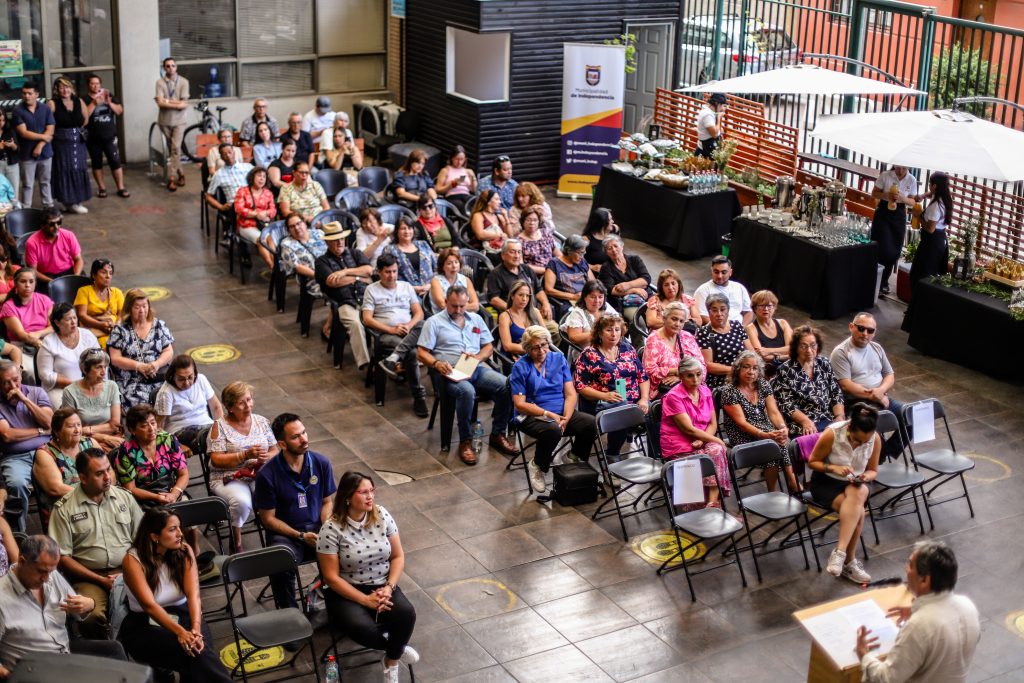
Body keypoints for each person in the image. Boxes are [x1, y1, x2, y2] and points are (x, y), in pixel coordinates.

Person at [317, 472, 420, 683]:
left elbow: (398, 556)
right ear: (347, 497)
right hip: (346, 590)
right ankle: (398, 648)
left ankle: (391, 662)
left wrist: (389, 588)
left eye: (372, 490)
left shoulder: (381, 515)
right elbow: (331, 578)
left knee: (406, 614)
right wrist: (364, 600)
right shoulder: (331, 529)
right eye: (363, 492)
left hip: (382, 583)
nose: (370, 496)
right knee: (362, 629)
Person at [120, 507, 232, 683]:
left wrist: (194, 629)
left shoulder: (184, 551)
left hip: (184, 614)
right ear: (154, 536)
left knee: (199, 650)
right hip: (145, 623)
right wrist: (181, 633)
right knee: (198, 656)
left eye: (179, 527)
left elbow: (194, 595)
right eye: (172, 529)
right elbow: (149, 606)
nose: (180, 533)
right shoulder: (132, 560)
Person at [0, 534, 128, 677]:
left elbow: (78, 609)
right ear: (22, 561)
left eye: (51, 571)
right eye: (42, 572)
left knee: (114, 651)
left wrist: (89, 604)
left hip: (64, 652)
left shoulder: (51, 575)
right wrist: (11, 676)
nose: (47, 578)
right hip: (34, 668)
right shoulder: (2, 598)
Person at [49, 447, 144, 638]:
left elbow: (142, 540)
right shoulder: (65, 509)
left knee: (152, 604)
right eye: (99, 473)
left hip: (129, 569)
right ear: (83, 478)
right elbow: (63, 558)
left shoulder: (124, 497)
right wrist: (101, 580)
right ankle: (107, 658)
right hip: (90, 576)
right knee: (90, 616)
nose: (108, 477)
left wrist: (128, 571)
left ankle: (147, 656)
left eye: (109, 470)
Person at [417, 285, 516, 465]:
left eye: (462, 306)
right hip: (449, 371)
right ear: (446, 302)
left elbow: (488, 346)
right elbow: (421, 353)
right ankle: (465, 440)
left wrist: (477, 358)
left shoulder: (476, 319)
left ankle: (497, 433)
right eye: (454, 306)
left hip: (475, 367)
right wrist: (437, 363)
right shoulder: (434, 322)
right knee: (467, 391)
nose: (459, 310)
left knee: (507, 384)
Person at [856, 541, 980, 683]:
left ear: (924, 580)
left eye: (910, 565)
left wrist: (864, 655)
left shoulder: (919, 625)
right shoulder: (968, 606)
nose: (906, 569)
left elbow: (887, 679)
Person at [255, 413, 337, 609]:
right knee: (279, 562)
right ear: (282, 444)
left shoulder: (320, 463)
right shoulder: (267, 475)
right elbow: (268, 519)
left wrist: (326, 526)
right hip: (288, 534)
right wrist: (300, 535)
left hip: (318, 528)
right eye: (296, 437)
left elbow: (327, 502)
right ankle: (290, 618)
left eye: (304, 432)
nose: (304, 439)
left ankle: (334, 606)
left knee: (347, 551)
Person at [511, 326, 598, 493]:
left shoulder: (558, 359)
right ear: (527, 349)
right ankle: (537, 465)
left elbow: (571, 394)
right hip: (531, 415)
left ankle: (574, 456)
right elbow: (519, 404)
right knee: (553, 430)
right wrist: (548, 414)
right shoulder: (520, 367)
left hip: (560, 412)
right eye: (535, 347)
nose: (541, 350)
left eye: (544, 345)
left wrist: (566, 417)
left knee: (590, 423)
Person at [807, 402, 881, 583]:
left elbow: (873, 470)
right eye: (857, 440)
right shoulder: (832, 434)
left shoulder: (874, 438)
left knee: (860, 490)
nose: (861, 444)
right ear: (850, 428)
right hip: (826, 482)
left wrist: (865, 476)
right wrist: (833, 468)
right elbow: (813, 462)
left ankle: (840, 553)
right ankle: (849, 561)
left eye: (865, 441)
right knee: (859, 511)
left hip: (854, 484)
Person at [207, 382, 278, 552]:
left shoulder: (261, 422)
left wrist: (266, 457)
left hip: (258, 473)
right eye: (241, 402)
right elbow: (216, 459)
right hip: (228, 477)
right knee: (241, 502)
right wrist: (244, 455)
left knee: (281, 492)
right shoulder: (219, 427)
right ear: (230, 407)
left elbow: (275, 448)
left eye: (249, 399)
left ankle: (278, 535)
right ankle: (237, 539)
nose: (248, 405)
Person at [719, 351, 799, 493]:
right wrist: (765, 435)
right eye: (746, 367)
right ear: (738, 369)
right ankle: (792, 481)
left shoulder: (763, 384)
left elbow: (773, 412)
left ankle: (774, 491)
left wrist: (782, 428)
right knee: (775, 446)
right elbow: (742, 423)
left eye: (755, 368)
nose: (751, 372)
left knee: (779, 443)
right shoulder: (729, 391)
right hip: (742, 434)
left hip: (766, 430)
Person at [573, 313, 650, 458]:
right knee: (623, 409)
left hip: (633, 399)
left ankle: (656, 456)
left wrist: (644, 399)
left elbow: (642, 377)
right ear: (599, 333)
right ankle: (613, 454)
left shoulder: (627, 349)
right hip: (602, 401)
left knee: (656, 409)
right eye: (609, 330)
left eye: (617, 329)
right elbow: (580, 386)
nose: (613, 334)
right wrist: (604, 395)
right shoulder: (589, 354)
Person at [361, 253, 428, 416]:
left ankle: (394, 358)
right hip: (386, 334)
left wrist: (408, 325)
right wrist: (391, 329)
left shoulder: (406, 286)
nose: (392, 276)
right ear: (379, 272)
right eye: (387, 272)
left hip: (408, 330)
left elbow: (419, 313)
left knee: (425, 324)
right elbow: (367, 319)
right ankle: (419, 396)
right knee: (412, 353)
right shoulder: (371, 290)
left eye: (394, 271)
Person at [830, 313, 904, 458]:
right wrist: (875, 396)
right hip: (856, 402)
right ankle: (878, 457)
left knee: (912, 415)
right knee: (872, 431)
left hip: (879, 397)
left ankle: (885, 455)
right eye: (861, 328)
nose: (865, 334)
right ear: (851, 327)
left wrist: (881, 392)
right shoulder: (841, 352)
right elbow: (846, 385)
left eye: (870, 330)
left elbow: (890, 375)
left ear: (874, 332)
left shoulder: (876, 348)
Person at [659, 356, 730, 508]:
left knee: (717, 451)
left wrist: (705, 440)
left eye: (698, 374)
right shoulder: (673, 397)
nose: (696, 379)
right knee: (712, 451)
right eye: (690, 375)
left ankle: (712, 502)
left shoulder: (705, 391)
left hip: (701, 439)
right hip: (679, 444)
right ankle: (693, 506)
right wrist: (717, 439)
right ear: (681, 376)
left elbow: (713, 423)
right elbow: (688, 429)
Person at [0, 359, 53, 531]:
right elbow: (7, 435)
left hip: (45, 451)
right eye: (6, 382)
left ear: (21, 376)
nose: (12, 385)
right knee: (16, 484)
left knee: (62, 479)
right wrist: (39, 431)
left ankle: (59, 530)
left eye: (15, 379)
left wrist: (25, 399)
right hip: (16, 457)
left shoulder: (37, 393)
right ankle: (19, 535)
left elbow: (49, 423)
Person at [314, 220, 373, 368]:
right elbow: (333, 282)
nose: (340, 242)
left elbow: (368, 270)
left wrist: (345, 272)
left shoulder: (355, 253)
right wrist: (359, 277)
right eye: (335, 240)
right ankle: (365, 364)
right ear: (328, 242)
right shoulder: (322, 262)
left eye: (341, 238)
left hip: (367, 298)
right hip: (345, 302)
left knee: (391, 315)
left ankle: (394, 360)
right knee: (355, 324)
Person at [106, 288, 175, 412]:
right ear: (129, 309)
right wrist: (138, 366)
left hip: (157, 376)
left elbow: (168, 351)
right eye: (137, 307)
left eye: (144, 305)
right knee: (141, 409)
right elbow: (115, 359)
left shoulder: (158, 325)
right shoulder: (120, 331)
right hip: (132, 382)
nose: (142, 310)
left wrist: (156, 364)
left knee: (171, 399)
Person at [113, 404, 190, 513]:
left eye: (153, 423)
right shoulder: (126, 452)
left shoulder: (168, 440)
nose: (151, 429)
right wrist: (157, 498)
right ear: (132, 430)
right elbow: (130, 489)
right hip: (143, 499)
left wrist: (174, 493)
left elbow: (183, 474)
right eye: (144, 426)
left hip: (171, 492)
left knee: (191, 523)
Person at [773, 325, 845, 436]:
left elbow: (835, 392)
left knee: (848, 438)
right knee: (818, 444)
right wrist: (805, 421)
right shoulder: (785, 370)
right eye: (803, 346)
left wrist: (839, 416)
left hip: (827, 418)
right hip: (802, 423)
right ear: (796, 348)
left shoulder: (824, 363)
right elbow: (786, 404)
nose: (809, 350)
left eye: (813, 345)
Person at [154, 354, 223, 455]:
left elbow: (216, 407)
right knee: (213, 437)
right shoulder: (166, 393)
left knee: (224, 432)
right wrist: (176, 444)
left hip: (207, 426)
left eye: (190, 377)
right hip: (180, 431)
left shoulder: (201, 379)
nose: (187, 383)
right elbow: (158, 427)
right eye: (181, 379)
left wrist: (221, 426)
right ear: (172, 376)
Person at [33, 407, 92, 526]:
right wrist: (93, 494)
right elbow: (56, 489)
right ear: (56, 431)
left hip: (94, 502)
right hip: (65, 513)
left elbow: (109, 472)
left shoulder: (89, 443)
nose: (77, 430)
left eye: (79, 425)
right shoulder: (45, 454)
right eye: (71, 426)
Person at [37, 303, 100, 406]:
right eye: (68, 319)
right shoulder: (49, 342)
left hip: (91, 385)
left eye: (75, 318)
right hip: (61, 389)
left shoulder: (87, 335)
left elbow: (100, 360)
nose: (74, 322)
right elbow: (45, 375)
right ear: (57, 322)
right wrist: (75, 385)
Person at [61, 348, 123, 451]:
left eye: (105, 367)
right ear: (85, 369)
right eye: (98, 367)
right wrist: (103, 437)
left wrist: (86, 429)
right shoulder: (70, 391)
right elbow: (72, 429)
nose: (103, 372)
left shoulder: (112, 386)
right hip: (82, 441)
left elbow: (115, 425)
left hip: (113, 437)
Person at [643, 301, 705, 399]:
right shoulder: (653, 339)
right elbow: (649, 370)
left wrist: (681, 377)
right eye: (674, 319)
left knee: (706, 395)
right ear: (664, 318)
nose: (677, 324)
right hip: (664, 388)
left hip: (690, 382)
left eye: (681, 321)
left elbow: (702, 365)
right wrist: (676, 371)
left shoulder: (687, 337)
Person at [47, 77, 91, 214]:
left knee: (78, 168)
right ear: (57, 89)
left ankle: (77, 200)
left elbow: (86, 119)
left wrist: (74, 131)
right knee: (64, 170)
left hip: (78, 142)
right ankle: (67, 201)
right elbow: (48, 123)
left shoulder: (79, 101)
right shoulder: (52, 103)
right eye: (61, 87)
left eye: (67, 87)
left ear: (72, 88)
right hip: (61, 144)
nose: (65, 90)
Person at [871, 165, 917, 294]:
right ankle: (875, 280)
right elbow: (874, 193)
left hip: (899, 214)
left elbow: (913, 202)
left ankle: (884, 281)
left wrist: (903, 199)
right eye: (898, 168)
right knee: (882, 248)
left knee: (894, 250)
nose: (900, 171)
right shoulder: (886, 175)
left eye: (903, 168)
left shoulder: (911, 179)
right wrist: (887, 195)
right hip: (884, 213)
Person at [486, 238, 554, 323]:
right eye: (512, 252)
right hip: (514, 317)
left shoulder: (527, 269)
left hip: (535, 314)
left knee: (556, 331)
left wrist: (546, 303)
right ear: (503, 255)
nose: (517, 256)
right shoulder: (495, 274)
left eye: (519, 252)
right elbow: (494, 299)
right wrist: (517, 310)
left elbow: (538, 290)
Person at [83, 74, 128, 199]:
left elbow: (119, 111)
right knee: (96, 163)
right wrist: (94, 103)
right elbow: (84, 116)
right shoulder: (84, 99)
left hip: (109, 136)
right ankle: (102, 188)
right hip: (93, 137)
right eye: (92, 83)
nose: (95, 86)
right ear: (88, 85)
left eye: (97, 83)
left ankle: (121, 187)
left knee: (115, 161)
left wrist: (109, 103)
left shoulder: (109, 95)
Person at [13, 81, 55, 207]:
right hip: (27, 154)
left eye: (30, 93)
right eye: (24, 93)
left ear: (36, 94)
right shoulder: (18, 111)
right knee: (27, 184)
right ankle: (26, 209)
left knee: (46, 181)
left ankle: (48, 207)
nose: (26, 96)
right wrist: (44, 137)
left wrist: (40, 145)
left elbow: (51, 128)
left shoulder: (45, 109)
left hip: (45, 152)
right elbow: (23, 133)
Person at [697, 293, 752, 390]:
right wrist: (735, 371)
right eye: (714, 310)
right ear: (708, 312)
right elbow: (708, 364)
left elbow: (751, 352)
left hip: (745, 374)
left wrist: (747, 370)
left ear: (728, 310)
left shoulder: (736, 325)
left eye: (723, 309)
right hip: (720, 380)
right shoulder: (704, 332)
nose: (719, 314)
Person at [24, 207, 84, 290]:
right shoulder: (32, 243)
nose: (56, 227)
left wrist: (75, 277)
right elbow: (33, 271)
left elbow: (78, 260)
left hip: (69, 272)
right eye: (52, 224)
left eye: (59, 222)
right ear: (42, 226)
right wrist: (53, 281)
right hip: (45, 276)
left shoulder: (68, 235)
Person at [909, 171, 952, 286]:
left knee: (920, 276)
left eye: (930, 184)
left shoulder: (935, 206)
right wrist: (923, 196)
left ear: (935, 186)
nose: (928, 186)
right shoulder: (945, 198)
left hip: (931, 243)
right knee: (930, 276)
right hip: (940, 240)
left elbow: (930, 228)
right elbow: (930, 193)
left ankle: (917, 303)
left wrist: (918, 216)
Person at [154, 58, 189, 192]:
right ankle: (181, 173)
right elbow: (160, 103)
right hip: (164, 121)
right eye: (167, 66)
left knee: (175, 148)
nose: (170, 68)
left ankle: (172, 178)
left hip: (179, 121)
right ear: (164, 68)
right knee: (173, 150)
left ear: (176, 67)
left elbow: (184, 104)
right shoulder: (160, 82)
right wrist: (176, 103)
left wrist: (167, 101)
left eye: (172, 66)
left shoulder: (184, 82)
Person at [232, 166, 277, 269]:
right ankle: (272, 266)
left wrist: (266, 213)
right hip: (246, 225)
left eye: (264, 176)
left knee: (272, 240)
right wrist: (256, 214)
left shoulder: (268, 193)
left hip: (263, 225)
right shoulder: (242, 191)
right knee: (262, 240)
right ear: (252, 177)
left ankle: (276, 266)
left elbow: (273, 210)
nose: (261, 179)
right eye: (259, 176)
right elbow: (238, 209)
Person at [1, 268, 54, 354]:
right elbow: (21, 335)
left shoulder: (45, 300)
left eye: (31, 281)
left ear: (35, 283)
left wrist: (39, 334)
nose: (27, 285)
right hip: (21, 346)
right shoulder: (8, 306)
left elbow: (53, 326)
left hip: (46, 340)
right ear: (15, 283)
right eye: (23, 281)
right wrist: (37, 342)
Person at [74, 258, 124, 348]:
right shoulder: (84, 291)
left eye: (110, 273)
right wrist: (100, 325)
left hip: (114, 331)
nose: (108, 276)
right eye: (104, 272)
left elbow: (122, 314)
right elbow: (81, 315)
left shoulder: (117, 292)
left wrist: (118, 324)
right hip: (93, 333)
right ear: (94, 275)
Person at [598, 235, 651, 321]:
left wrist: (627, 285)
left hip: (646, 296)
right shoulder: (606, 268)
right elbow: (611, 290)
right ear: (606, 252)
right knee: (640, 323)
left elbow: (646, 279)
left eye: (616, 246)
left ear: (622, 246)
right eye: (609, 248)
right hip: (628, 303)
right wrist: (634, 290)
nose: (614, 250)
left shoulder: (635, 259)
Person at [544, 234, 593, 319]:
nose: (582, 257)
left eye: (583, 253)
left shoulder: (582, 262)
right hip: (567, 302)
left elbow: (592, 282)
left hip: (586, 298)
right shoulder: (554, 264)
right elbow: (549, 290)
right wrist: (573, 297)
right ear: (569, 251)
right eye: (580, 253)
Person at [744, 290, 792, 377]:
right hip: (769, 371)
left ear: (774, 307)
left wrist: (768, 351)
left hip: (790, 366)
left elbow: (792, 348)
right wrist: (785, 355)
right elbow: (762, 356)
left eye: (769, 306)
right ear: (754, 308)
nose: (766, 309)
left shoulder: (783, 323)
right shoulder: (751, 328)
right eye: (761, 306)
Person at [694, 255, 752, 325]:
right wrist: (722, 329)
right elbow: (702, 316)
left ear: (730, 272)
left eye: (724, 272)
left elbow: (748, 312)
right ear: (711, 271)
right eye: (716, 272)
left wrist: (742, 328)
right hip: (715, 329)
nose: (719, 276)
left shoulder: (739, 287)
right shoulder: (702, 290)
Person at [560, 280, 616, 349]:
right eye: (592, 297)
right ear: (584, 297)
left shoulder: (607, 307)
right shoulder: (577, 313)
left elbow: (620, 325)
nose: (597, 301)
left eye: (600, 297)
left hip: (610, 349)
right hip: (588, 353)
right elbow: (574, 338)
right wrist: (599, 333)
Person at [388, 216, 437, 296]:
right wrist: (413, 289)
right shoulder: (390, 250)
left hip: (431, 289)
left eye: (409, 228)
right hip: (404, 293)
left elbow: (437, 268)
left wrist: (431, 285)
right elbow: (388, 276)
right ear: (397, 231)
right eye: (403, 229)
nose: (407, 231)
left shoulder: (423, 244)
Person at [279, 213, 328, 292]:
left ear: (304, 223)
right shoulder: (287, 244)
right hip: (313, 279)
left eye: (298, 223)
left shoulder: (318, 233)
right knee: (340, 289)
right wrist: (321, 277)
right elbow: (298, 267)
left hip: (332, 270)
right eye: (292, 226)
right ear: (288, 230)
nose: (297, 228)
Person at [203, 144, 253, 220]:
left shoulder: (248, 167)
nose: (228, 156)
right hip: (235, 206)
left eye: (230, 152)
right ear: (221, 157)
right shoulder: (218, 174)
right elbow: (208, 196)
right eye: (224, 154)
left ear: (234, 152)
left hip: (253, 201)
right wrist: (221, 207)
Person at [497, 280, 545, 359]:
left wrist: (538, 350)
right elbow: (507, 346)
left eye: (527, 295)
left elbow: (546, 336)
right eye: (521, 295)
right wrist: (535, 349)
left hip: (538, 355)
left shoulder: (535, 312)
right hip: (515, 358)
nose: (524, 299)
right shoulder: (505, 316)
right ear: (512, 296)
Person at [646, 268, 701, 332]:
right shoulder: (655, 301)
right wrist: (684, 322)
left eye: (673, 283)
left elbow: (698, 321)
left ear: (678, 284)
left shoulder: (688, 299)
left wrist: (669, 322)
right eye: (666, 285)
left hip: (687, 336)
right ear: (661, 288)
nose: (670, 287)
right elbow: (651, 322)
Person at [430, 247, 481, 314]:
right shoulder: (436, 281)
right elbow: (442, 305)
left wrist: (454, 306)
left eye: (456, 262)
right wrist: (466, 306)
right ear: (442, 266)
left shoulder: (466, 280)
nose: (454, 266)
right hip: (444, 319)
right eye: (449, 263)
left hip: (466, 317)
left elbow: (476, 306)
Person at [519, 206, 560, 276]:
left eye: (535, 220)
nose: (531, 223)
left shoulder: (545, 233)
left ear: (539, 222)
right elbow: (521, 265)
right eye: (528, 220)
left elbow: (558, 254)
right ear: (523, 221)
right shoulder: (519, 241)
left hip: (553, 271)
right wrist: (547, 271)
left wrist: (561, 266)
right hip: (534, 276)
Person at [434, 145, 477, 210]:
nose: (459, 162)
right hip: (453, 196)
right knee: (463, 206)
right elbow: (437, 189)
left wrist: (473, 178)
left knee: (475, 202)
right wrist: (451, 185)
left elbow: (474, 190)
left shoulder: (468, 171)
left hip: (466, 195)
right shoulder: (445, 170)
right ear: (452, 158)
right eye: (457, 159)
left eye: (462, 159)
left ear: (465, 159)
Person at [469, 188, 510, 255]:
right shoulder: (478, 215)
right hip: (484, 251)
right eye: (496, 199)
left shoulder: (499, 216)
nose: (500, 202)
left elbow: (509, 235)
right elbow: (480, 235)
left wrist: (506, 218)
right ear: (488, 202)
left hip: (500, 249)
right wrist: (499, 235)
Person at [581, 208, 620, 273]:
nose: (613, 221)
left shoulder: (615, 229)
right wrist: (591, 267)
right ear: (603, 223)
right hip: (597, 274)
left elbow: (619, 248)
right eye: (610, 219)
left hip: (614, 270)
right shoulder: (586, 239)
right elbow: (576, 260)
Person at [695, 92, 727, 157]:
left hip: (707, 147)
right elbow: (714, 134)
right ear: (716, 103)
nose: (721, 109)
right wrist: (719, 118)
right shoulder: (707, 115)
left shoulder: (709, 112)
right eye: (721, 105)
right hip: (706, 150)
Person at [0, 109, 20, 201]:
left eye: (3, 120)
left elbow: (18, 150)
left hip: (11, 163)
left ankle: (14, 212)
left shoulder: (10, 131)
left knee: (13, 190)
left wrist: (13, 145)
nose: (1, 123)